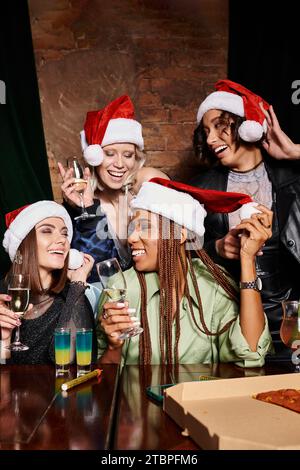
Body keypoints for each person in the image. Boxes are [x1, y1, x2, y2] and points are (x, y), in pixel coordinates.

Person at [97, 178, 272, 366]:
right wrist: (114, 347)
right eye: (132, 228)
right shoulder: (121, 287)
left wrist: (247, 259)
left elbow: (251, 355)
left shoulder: (213, 283)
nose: (131, 237)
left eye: (145, 227)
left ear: (179, 235)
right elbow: (104, 383)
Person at [191, 79, 300, 358]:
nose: (211, 139)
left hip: (291, 322)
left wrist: (294, 151)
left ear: (245, 125)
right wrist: (216, 248)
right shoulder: (202, 188)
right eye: (206, 131)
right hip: (229, 321)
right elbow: (178, 252)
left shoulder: (293, 178)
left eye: (219, 126)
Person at [58, 95, 169, 282]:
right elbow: (94, 273)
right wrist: (87, 208)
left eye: (128, 155)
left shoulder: (147, 186)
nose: (119, 164)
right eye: (109, 154)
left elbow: (173, 247)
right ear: (94, 157)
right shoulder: (79, 206)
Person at [0, 201, 97, 364]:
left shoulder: (74, 295)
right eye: (47, 231)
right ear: (23, 244)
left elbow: (68, 361)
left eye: (65, 234)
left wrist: (78, 283)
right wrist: (4, 339)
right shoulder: (3, 295)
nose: (62, 240)